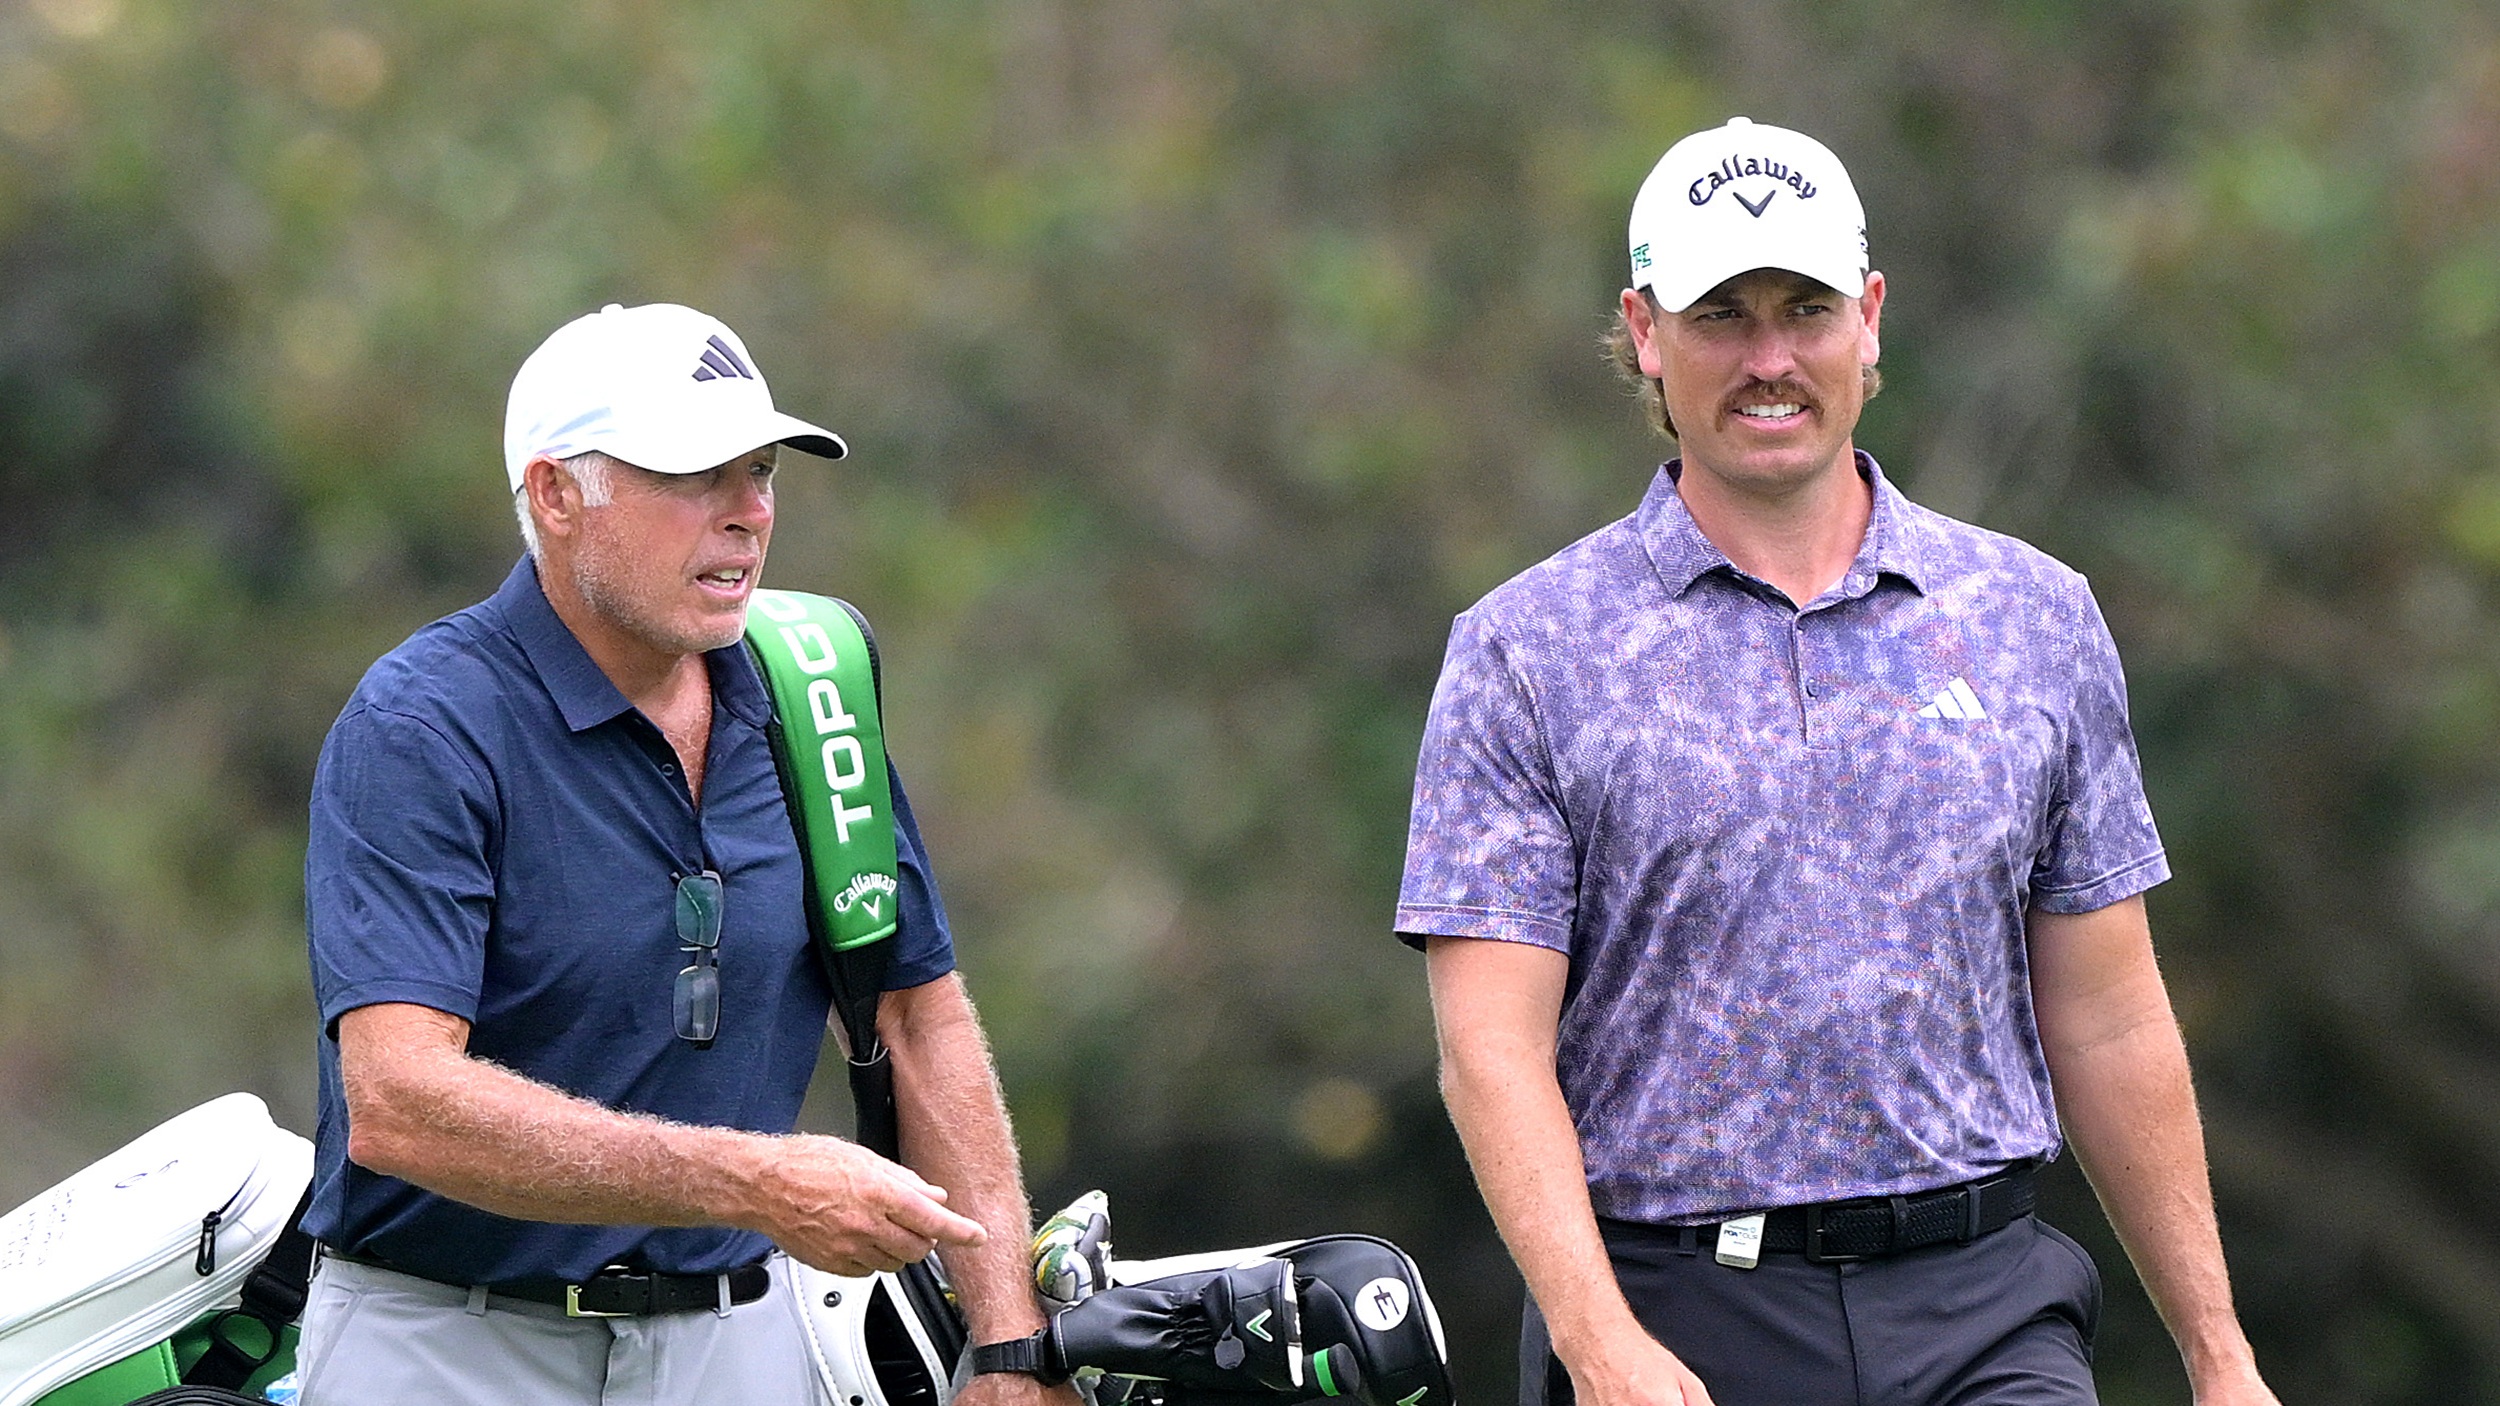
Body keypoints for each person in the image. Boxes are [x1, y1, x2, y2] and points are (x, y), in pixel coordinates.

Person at [1395, 119, 2280, 1406]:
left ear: (1868, 320)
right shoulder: (1527, 652)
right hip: (1674, 1316)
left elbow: (2109, 1013)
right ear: (1644, 331)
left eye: (1803, 309)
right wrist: (1598, 1342)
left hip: (1984, 1311)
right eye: (1720, 316)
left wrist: (2219, 1355)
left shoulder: (2030, 615)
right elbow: (1491, 1053)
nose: (1769, 359)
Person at [299, 302, 1068, 1406]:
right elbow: (401, 1100)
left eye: (760, 471)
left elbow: (914, 1013)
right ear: (556, 494)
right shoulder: (424, 723)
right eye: (695, 475)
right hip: (447, 1343)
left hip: (735, 1342)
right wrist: (754, 1179)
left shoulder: (814, 689)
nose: (749, 514)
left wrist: (1005, 1334)